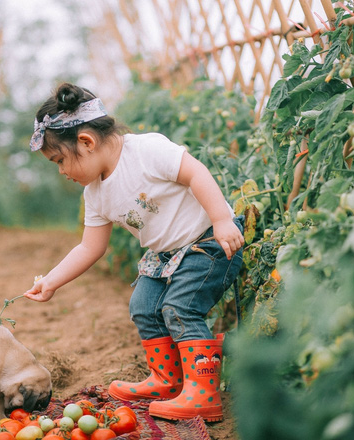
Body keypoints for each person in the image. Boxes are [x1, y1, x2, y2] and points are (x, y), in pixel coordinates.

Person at [23, 83, 244, 422]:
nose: (62, 172)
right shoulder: (95, 194)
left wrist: (221, 220)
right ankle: (166, 380)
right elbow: (90, 246)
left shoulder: (146, 151)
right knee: (143, 306)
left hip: (208, 244)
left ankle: (204, 394)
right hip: (166, 257)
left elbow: (196, 173)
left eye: (60, 161)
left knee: (180, 307)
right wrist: (51, 281)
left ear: (86, 142)